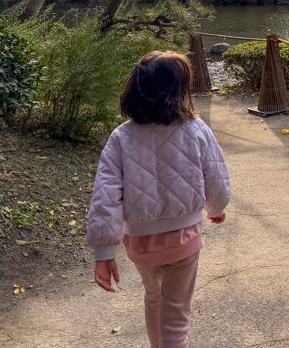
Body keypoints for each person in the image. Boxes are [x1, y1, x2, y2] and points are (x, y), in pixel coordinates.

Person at [87, 52, 230, 348]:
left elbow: (106, 195)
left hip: (140, 243)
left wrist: (104, 252)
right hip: (183, 238)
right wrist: (215, 209)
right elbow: (216, 177)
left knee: (154, 297)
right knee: (176, 313)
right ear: (182, 91)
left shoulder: (120, 137)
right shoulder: (197, 130)